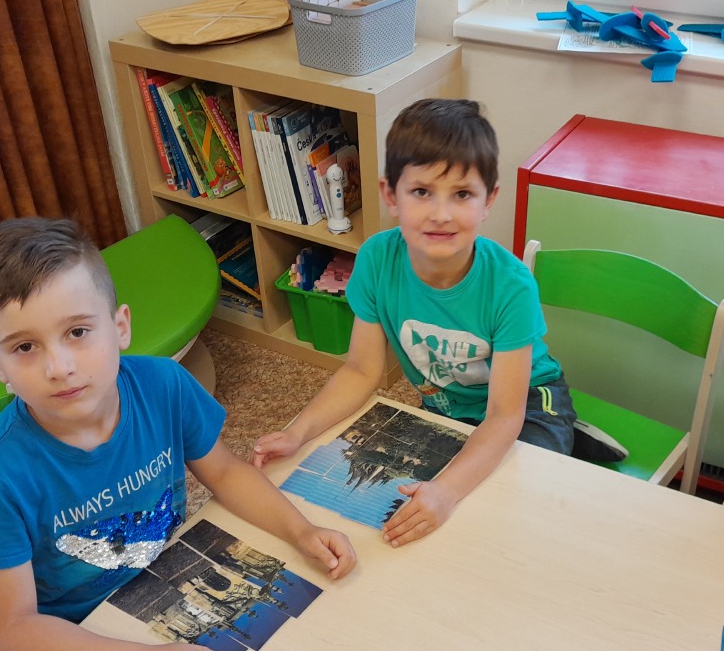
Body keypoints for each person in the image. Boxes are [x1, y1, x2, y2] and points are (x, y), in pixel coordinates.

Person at [0, 217, 356, 651]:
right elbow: (12, 629)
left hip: (169, 582)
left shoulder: (164, 384)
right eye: (24, 347)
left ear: (120, 326)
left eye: (78, 332)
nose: (59, 367)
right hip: (80, 643)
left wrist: (300, 531)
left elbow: (226, 473)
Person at [253, 98, 594, 546]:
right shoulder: (376, 259)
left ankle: (570, 434)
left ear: (489, 200)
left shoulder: (511, 285)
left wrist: (447, 491)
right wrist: (298, 432)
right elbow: (360, 371)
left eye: (462, 194)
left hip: (527, 403)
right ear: (390, 195)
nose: (441, 214)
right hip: (448, 405)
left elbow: (504, 416)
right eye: (421, 192)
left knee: (509, 512)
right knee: (407, 509)